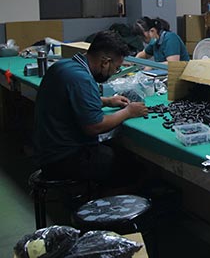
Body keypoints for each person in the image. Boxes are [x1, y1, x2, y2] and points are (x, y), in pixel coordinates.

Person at [34, 31, 148, 183]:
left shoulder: (64, 65)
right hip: (63, 159)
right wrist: (128, 112)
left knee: (115, 151)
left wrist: (107, 101)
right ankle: (107, 197)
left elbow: (72, 100)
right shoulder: (82, 79)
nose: (115, 72)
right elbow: (95, 126)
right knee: (136, 169)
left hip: (47, 151)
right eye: (117, 68)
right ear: (105, 62)